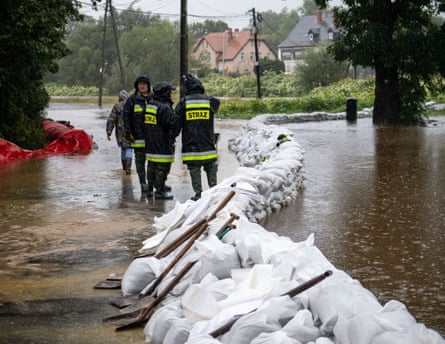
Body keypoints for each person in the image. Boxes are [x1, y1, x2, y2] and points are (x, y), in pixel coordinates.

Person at [174, 74, 220, 201]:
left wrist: (172, 137)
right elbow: (217, 103)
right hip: (208, 142)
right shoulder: (210, 100)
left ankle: (198, 193)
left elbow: (176, 122)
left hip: (191, 144)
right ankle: (213, 190)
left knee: (194, 169)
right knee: (211, 166)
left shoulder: (184, 102)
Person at [144, 81, 176, 199]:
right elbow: (170, 126)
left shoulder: (151, 105)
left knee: (152, 165)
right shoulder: (165, 107)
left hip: (151, 141)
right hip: (162, 142)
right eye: (169, 92)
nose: (171, 94)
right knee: (163, 166)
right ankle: (159, 191)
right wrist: (172, 140)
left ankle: (150, 187)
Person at [123, 75, 151, 192]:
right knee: (140, 162)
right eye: (140, 84)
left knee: (152, 163)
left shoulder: (154, 99)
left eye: (144, 84)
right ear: (137, 86)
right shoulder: (132, 100)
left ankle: (151, 184)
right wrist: (129, 133)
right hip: (137, 137)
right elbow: (127, 117)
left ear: (148, 86)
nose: (142, 86)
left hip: (152, 138)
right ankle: (143, 183)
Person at [106, 90, 132, 174]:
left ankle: (124, 168)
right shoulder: (132, 105)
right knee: (129, 148)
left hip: (120, 132)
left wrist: (109, 132)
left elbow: (111, 119)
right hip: (131, 131)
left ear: (120, 97)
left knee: (123, 149)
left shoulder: (117, 106)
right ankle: (128, 169)